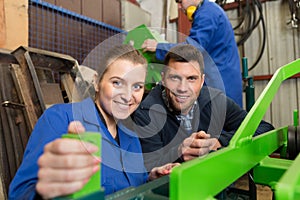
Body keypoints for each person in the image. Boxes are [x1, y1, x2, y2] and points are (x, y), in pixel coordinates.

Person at [9, 44, 179, 200]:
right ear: (97, 82)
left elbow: (133, 186)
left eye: (137, 86)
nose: (128, 96)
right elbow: (19, 194)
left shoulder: (131, 135)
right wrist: (45, 192)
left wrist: (150, 179)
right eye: (117, 83)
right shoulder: (60, 119)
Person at [133, 44, 274, 171]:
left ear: (202, 81)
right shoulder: (146, 113)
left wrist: (219, 142)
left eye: (191, 79)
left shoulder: (215, 101)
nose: (182, 88)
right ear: (163, 79)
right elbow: (148, 168)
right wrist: (178, 153)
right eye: (175, 78)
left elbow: (264, 129)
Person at [141, 0, 243, 107]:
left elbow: (192, 49)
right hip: (223, 82)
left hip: (220, 84)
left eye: (180, 2)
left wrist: (158, 47)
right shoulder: (210, 10)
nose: (179, 7)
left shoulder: (207, 13)